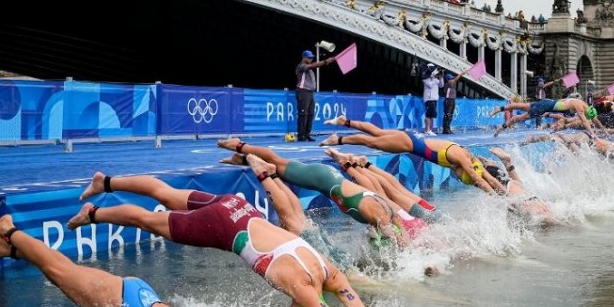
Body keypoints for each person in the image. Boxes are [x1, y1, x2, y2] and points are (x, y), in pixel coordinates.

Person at [67, 171, 370, 307]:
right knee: (148, 221)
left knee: (168, 194)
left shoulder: (330, 272)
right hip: (224, 227)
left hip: (239, 208)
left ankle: (105, 182)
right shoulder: (302, 289)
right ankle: (92, 214)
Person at [0, 215, 222, 307]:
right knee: (60, 271)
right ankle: (8, 230)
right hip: (129, 304)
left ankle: (9, 250)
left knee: (63, 273)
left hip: (138, 299)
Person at [217, 138, 419, 244]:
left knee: (278, 170)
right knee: (277, 162)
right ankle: (238, 145)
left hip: (329, 178)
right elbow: (399, 241)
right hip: (321, 177)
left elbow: (400, 236)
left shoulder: (388, 212)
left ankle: (242, 159)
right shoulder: (381, 216)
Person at [320, 115, 506, 194]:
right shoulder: (461, 159)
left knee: (377, 132)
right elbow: (479, 180)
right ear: (464, 170)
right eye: (462, 178)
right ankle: (338, 140)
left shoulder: (472, 159)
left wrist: (504, 194)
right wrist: (495, 200)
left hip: (414, 137)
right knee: (372, 141)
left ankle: (345, 121)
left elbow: (488, 177)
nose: (457, 177)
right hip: (409, 143)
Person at [491, 98, 595, 137]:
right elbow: (584, 122)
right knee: (518, 118)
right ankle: (502, 127)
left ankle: (499, 109)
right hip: (544, 107)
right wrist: (593, 134)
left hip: (546, 102)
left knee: (521, 105)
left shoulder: (578, 101)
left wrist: (549, 112)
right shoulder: (580, 107)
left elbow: (561, 101)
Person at [296, 50, 336, 142]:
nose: (311, 59)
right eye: (309, 58)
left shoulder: (308, 68)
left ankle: (307, 134)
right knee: (303, 114)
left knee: (310, 114)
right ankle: (301, 135)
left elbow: (313, 65)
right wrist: (326, 61)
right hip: (303, 91)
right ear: (304, 58)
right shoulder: (301, 66)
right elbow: (313, 65)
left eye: (311, 58)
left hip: (310, 92)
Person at [422, 64, 444, 135]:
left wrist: (440, 78)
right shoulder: (425, 78)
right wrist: (435, 78)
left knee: (431, 115)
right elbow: (430, 85)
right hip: (428, 98)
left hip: (434, 98)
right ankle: (427, 130)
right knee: (428, 115)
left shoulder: (436, 79)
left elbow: (441, 85)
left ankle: (429, 130)